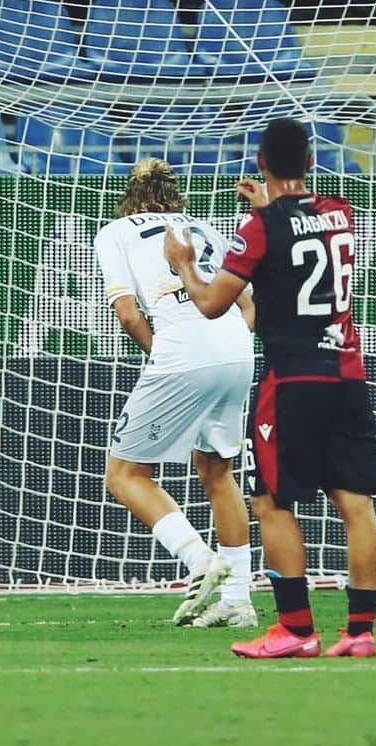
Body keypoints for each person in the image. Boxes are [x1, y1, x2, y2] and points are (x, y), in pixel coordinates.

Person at [164, 118, 376, 659]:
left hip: (293, 380)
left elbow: (214, 302)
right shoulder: (342, 213)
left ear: (262, 163)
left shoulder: (258, 228)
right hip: (348, 373)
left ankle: (296, 629)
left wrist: (186, 265)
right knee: (355, 502)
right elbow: (299, 231)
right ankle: (359, 632)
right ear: (311, 163)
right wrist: (268, 204)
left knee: (271, 500)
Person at [94, 158, 257, 628]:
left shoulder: (116, 231)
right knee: (217, 471)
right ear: (175, 195)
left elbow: (127, 313)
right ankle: (239, 600)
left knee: (125, 475)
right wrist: (229, 346)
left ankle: (198, 560)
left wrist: (161, 352)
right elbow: (249, 304)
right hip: (236, 349)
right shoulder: (206, 228)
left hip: (183, 347)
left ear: (130, 198)